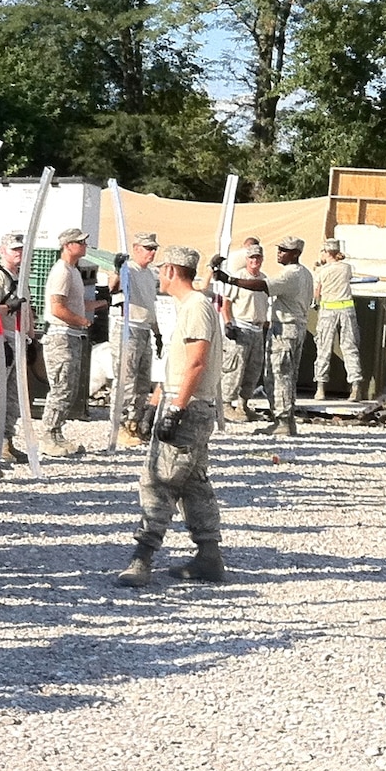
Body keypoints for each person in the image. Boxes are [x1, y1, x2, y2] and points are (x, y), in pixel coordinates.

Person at [117, 245, 225, 588]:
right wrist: (155, 402)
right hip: (187, 402)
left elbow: (196, 362)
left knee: (158, 481)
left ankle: (143, 557)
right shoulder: (192, 307)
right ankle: (209, 555)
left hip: (189, 407)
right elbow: (178, 366)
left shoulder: (196, 307)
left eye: (162, 269)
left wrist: (176, 408)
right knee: (193, 484)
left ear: (171, 272)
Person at [39, 227, 104, 456]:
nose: (84, 246)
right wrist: (82, 322)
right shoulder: (62, 272)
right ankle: (48, 436)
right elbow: (57, 307)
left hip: (72, 335)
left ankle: (57, 433)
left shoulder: (73, 271)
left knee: (70, 388)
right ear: (68, 246)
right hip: (61, 336)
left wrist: (100, 305)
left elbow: (76, 304)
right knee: (61, 387)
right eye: (80, 242)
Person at [0, 234, 31, 465]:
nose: (18, 252)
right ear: (3, 251)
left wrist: (31, 339)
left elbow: (27, 311)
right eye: (14, 249)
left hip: (18, 340)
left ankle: (6, 442)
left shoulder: (20, 277)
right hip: (0, 342)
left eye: (21, 248)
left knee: (12, 397)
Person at [262, 236, 314, 435]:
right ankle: (287, 420)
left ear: (296, 254)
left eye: (284, 250)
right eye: (280, 248)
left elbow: (264, 287)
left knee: (277, 375)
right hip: (296, 328)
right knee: (288, 376)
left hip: (285, 329)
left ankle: (282, 421)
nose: (280, 252)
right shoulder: (306, 273)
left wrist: (231, 280)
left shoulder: (290, 275)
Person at [113, 234, 160, 447]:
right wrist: (118, 269)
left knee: (142, 382)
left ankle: (135, 422)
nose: (151, 253)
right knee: (126, 379)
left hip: (144, 328)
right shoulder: (128, 270)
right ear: (136, 248)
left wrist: (157, 332)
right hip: (129, 328)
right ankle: (120, 424)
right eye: (147, 248)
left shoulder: (149, 274)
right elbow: (115, 288)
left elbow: (151, 305)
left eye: (153, 249)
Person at [215, 242, 270, 421]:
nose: (255, 261)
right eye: (252, 257)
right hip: (241, 327)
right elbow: (226, 303)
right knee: (234, 368)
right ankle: (225, 404)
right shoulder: (238, 278)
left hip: (257, 329)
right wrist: (228, 323)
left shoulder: (263, 280)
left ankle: (243, 405)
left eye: (258, 257)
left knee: (253, 369)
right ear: (246, 259)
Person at [312, 239, 365, 399]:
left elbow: (317, 293)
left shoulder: (322, 271)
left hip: (328, 310)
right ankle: (355, 387)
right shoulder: (347, 268)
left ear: (327, 253)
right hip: (347, 310)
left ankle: (320, 388)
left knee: (323, 349)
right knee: (349, 348)